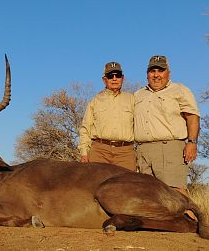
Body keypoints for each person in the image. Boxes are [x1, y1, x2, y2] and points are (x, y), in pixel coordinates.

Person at [134, 55, 200, 196]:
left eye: (160, 70)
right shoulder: (138, 95)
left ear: (168, 72)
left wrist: (192, 142)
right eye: (152, 71)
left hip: (169, 148)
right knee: (147, 197)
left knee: (176, 196)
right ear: (147, 74)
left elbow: (192, 117)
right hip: (142, 152)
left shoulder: (179, 90)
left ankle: (193, 218)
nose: (156, 75)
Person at [78, 62, 136, 171]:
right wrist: (84, 153)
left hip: (125, 153)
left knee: (127, 186)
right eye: (110, 76)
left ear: (122, 78)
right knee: (95, 185)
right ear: (104, 79)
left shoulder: (132, 99)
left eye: (117, 75)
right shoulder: (95, 101)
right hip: (99, 151)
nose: (114, 79)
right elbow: (85, 128)